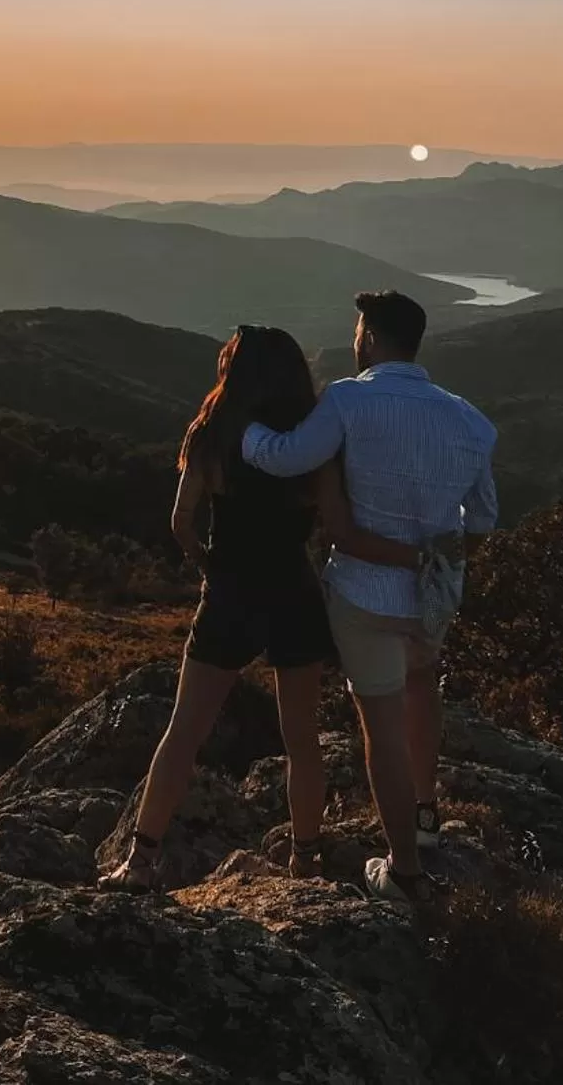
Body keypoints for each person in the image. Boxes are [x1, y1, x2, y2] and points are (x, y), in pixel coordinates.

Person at [100, 323, 418, 891]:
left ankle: (140, 861)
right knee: (300, 737)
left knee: (184, 732)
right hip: (294, 591)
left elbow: (180, 524)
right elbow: (334, 523)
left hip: (230, 592)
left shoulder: (212, 434)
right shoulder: (311, 442)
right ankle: (306, 857)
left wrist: (208, 564)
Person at [242, 289, 499, 907]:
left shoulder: (350, 399)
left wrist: (240, 429)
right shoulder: (469, 419)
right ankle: (426, 824)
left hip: (365, 592)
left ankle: (404, 873)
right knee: (423, 691)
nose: (355, 339)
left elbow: (286, 458)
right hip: (434, 596)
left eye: (359, 330)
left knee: (382, 728)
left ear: (374, 339)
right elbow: (483, 518)